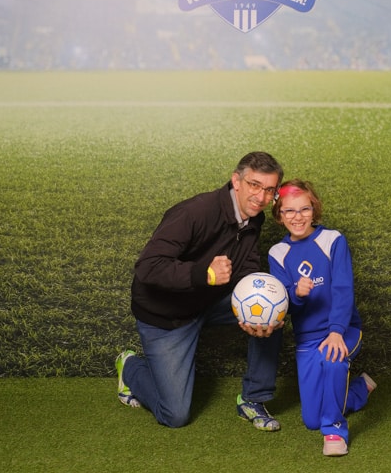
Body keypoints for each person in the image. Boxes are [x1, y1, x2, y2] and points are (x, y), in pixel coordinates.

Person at [116, 151, 285, 431]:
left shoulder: (253, 218)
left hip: (208, 302)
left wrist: (254, 311)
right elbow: (147, 266)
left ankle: (253, 398)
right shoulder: (194, 212)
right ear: (236, 181)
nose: (261, 197)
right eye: (255, 185)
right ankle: (130, 366)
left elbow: (247, 267)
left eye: (270, 190)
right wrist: (203, 273)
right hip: (168, 315)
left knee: (273, 310)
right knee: (175, 415)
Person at [268, 179, 376, 456]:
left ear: (314, 210)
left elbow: (343, 288)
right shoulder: (277, 254)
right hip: (307, 338)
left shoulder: (333, 240)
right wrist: (296, 294)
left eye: (304, 209)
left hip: (342, 329)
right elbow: (284, 304)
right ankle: (358, 389)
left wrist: (337, 331)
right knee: (311, 420)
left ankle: (335, 431)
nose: (297, 217)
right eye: (289, 211)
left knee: (333, 358)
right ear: (280, 215)